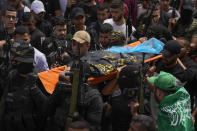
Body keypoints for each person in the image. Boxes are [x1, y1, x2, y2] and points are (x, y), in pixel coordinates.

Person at [44, 31, 103, 131]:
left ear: (88, 45)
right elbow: (47, 110)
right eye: (74, 44)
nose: (75, 47)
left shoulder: (92, 62)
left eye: (79, 45)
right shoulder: (71, 63)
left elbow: (94, 125)